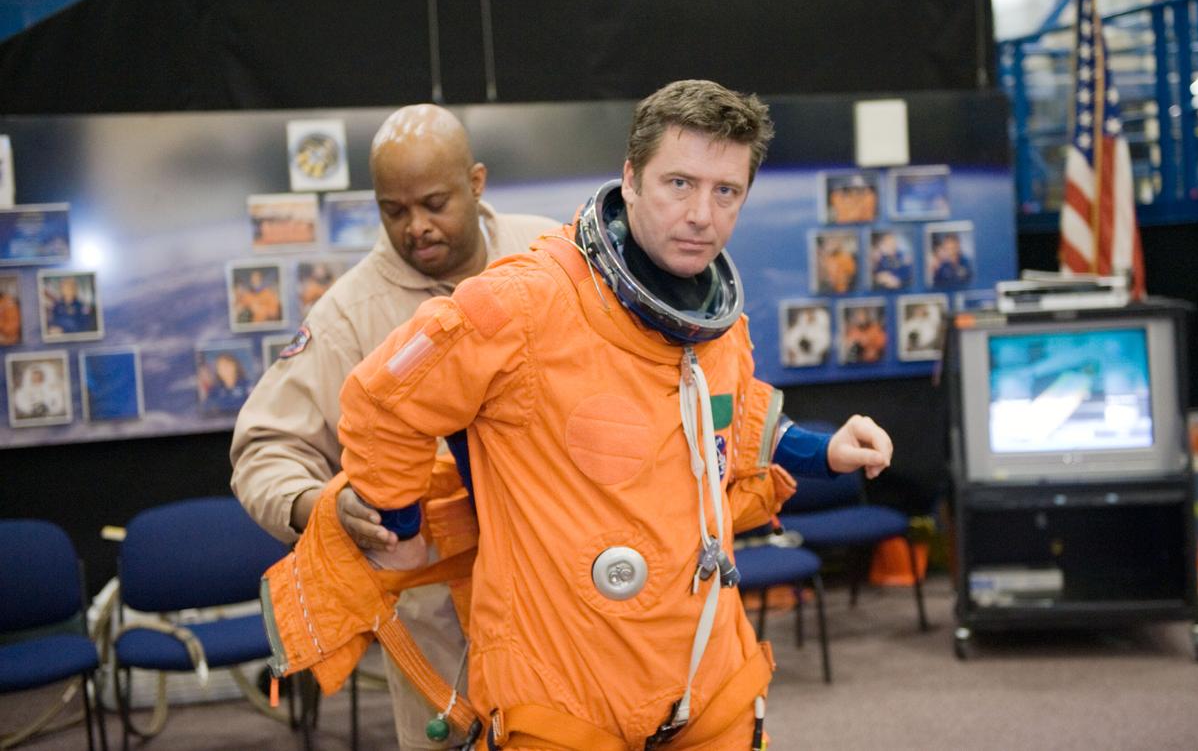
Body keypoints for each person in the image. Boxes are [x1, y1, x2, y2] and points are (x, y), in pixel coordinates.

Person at [336, 80, 893, 749]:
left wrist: (823, 449)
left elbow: (728, 418)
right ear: (630, 179)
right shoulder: (523, 303)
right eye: (678, 183)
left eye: (727, 191)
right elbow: (383, 397)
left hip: (702, 670)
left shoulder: (712, 320)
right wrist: (399, 521)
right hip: (564, 683)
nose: (701, 215)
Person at [230, 104, 556, 751]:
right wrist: (322, 504)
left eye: (435, 203)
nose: (417, 227)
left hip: (565, 584)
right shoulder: (350, 314)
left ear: (477, 181)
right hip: (440, 617)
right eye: (394, 211)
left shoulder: (551, 257)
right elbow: (264, 449)